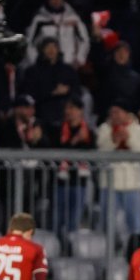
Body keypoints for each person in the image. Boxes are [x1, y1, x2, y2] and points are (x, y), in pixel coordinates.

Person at [97, 101, 140, 236]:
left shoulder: (138, 130)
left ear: (126, 113)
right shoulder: (104, 128)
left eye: (117, 112)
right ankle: (108, 252)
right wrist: (113, 141)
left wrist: (129, 139)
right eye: (112, 112)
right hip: (109, 185)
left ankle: (134, 251)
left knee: (135, 225)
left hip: (131, 185)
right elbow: (100, 152)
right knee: (107, 224)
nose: (114, 116)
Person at [54, 97, 95, 238]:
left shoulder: (89, 133)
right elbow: (56, 152)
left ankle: (71, 250)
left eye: (72, 108)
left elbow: (92, 155)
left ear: (81, 111)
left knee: (74, 220)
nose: (68, 111)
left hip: (79, 182)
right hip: (60, 182)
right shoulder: (58, 130)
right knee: (57, 219)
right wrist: (75, 141)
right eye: (67, 108)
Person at [24, 0, 90, 68]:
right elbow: (28, 42)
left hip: (69, 65)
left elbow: (84, 39)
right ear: (47, 0)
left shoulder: (73, 18)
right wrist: (34, 61)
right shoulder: (39, 19)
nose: (56, 0)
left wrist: (80, 59)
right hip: (46, 66)